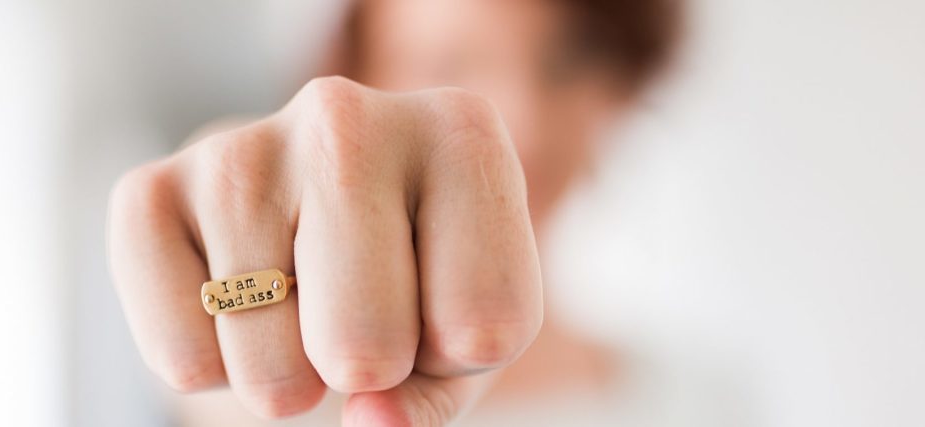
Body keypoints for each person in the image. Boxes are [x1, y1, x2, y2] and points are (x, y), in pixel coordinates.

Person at [108, 0, 684, 425]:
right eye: (448, 63)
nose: (523, 121)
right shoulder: (302, 390)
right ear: (349, 83)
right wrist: (226, 236)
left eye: (567, 64)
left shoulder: (700, 397)